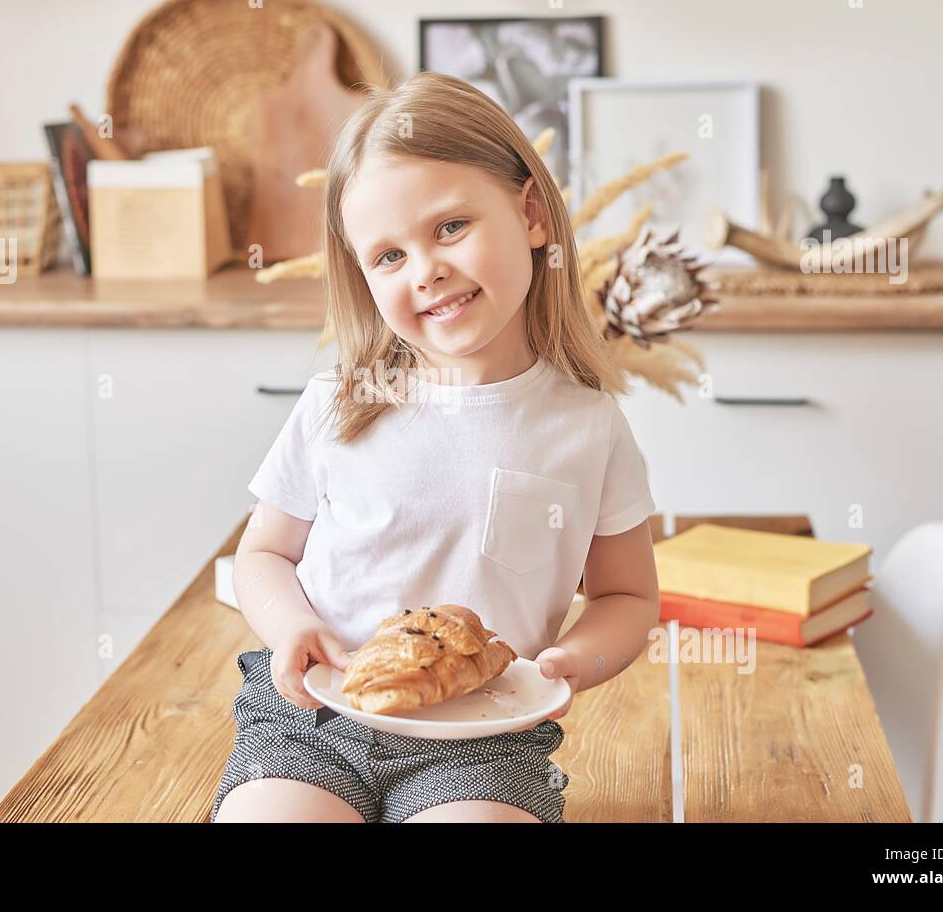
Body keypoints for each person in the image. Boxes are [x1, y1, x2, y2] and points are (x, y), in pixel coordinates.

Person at [211, 71, 659, 823]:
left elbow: (627, 596)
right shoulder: (341, 404)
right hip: (317, 721)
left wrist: (574, 661)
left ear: (530, 214)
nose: (427, 271)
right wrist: (292, 628)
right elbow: (262, 556)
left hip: (485, 734)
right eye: (389, 257)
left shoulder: (588, 425)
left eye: (450, 227)